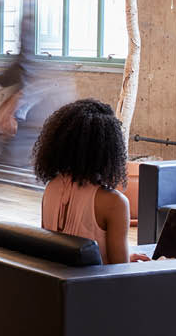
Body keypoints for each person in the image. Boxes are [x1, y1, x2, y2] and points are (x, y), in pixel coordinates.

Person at [33, 99, 149, 265]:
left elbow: (61, 253)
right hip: (95, 289)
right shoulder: (114, 203)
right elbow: (121, 273)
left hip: (59, 286)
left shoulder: (51, 187)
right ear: (110, 150)